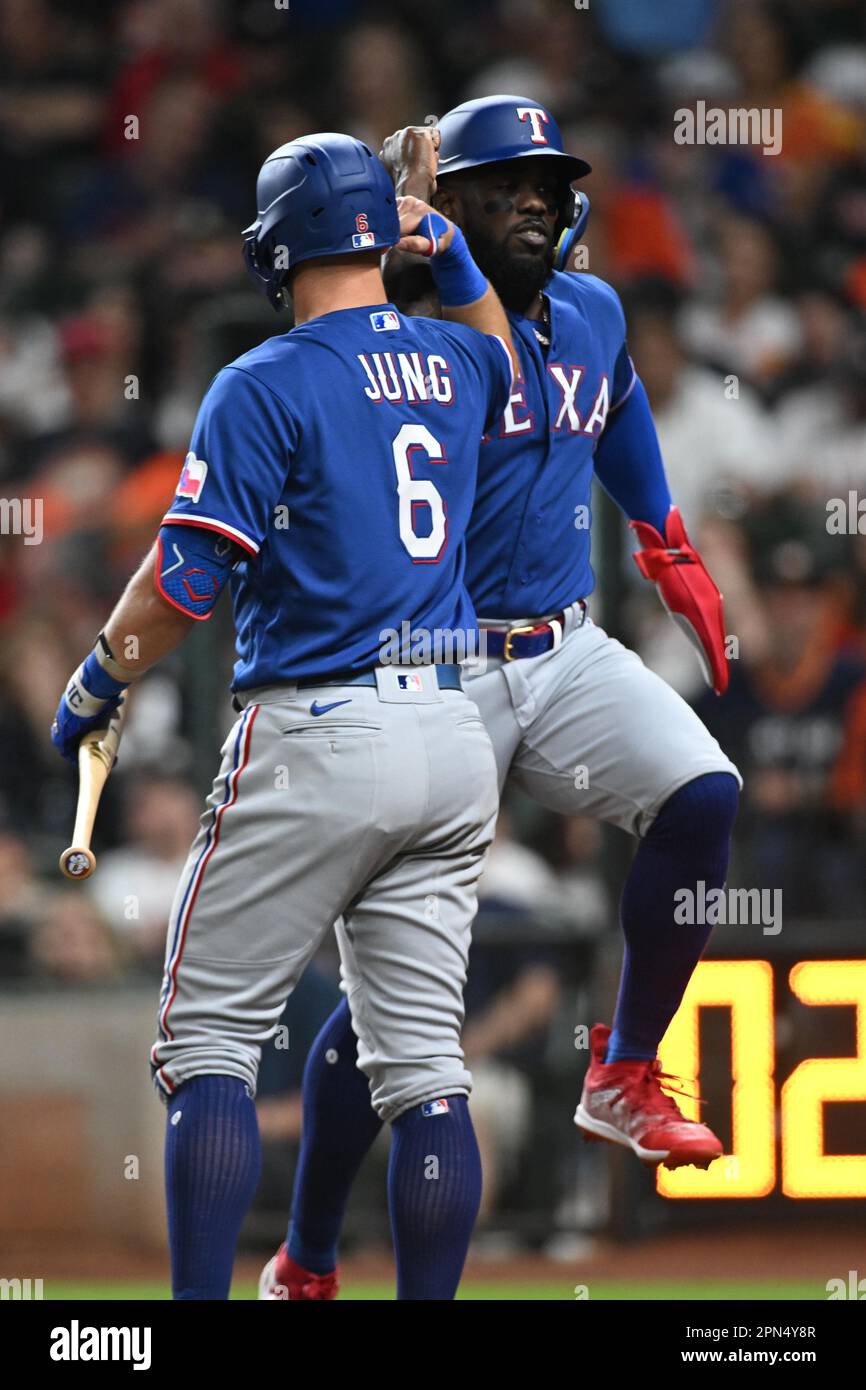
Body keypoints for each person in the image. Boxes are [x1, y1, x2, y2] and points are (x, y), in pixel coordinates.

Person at [259, 97, 742, 1301]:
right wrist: (395, 232)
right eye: (503, 180)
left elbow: (615, 408)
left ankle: (623, 1069)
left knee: (701, 793)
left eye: (549, 180)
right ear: (447, 203)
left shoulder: (592, 308)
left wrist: (663, 532)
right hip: (433, 664)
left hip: (561, 645)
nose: (535, 195)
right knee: (396, 1007)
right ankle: (308, 1255)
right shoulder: (404, 333)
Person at [50, 130, 519, 1300]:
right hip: (453, 740)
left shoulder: (261, 381)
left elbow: (184, 584)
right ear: (383, 236)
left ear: (273, 246)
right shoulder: (457, 368)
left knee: (206, 1044)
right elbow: (500, 355)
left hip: (318, 730)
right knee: (424, 1074)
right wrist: (446, 246)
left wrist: (97, 677)